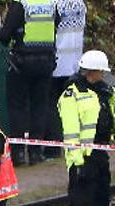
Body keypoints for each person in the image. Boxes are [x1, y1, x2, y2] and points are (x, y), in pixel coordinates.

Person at [57, 50, 115, 206]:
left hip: (100, 154)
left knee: (101, 202)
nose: (104, 74)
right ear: (93, 71)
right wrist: (77, 162)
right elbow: (70, 131)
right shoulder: (72, 94)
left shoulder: (104, 90)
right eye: (102, 71)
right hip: (83, 158)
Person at [0, 0, 58, 165]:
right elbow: (56, 25)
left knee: (18, 108)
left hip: (22, 63)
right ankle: (36, 152)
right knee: (40, 106)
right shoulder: (51, 4)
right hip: (46, 62)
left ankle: (19, 155)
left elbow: (4, 36)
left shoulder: (21, 4)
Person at [45, 0, 86, 159]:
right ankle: (74, 145)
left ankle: (52, 150)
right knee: (72, 109)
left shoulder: (53, 4)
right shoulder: (80, 4)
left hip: (56, 64)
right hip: (75, 65)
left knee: (52, 108)